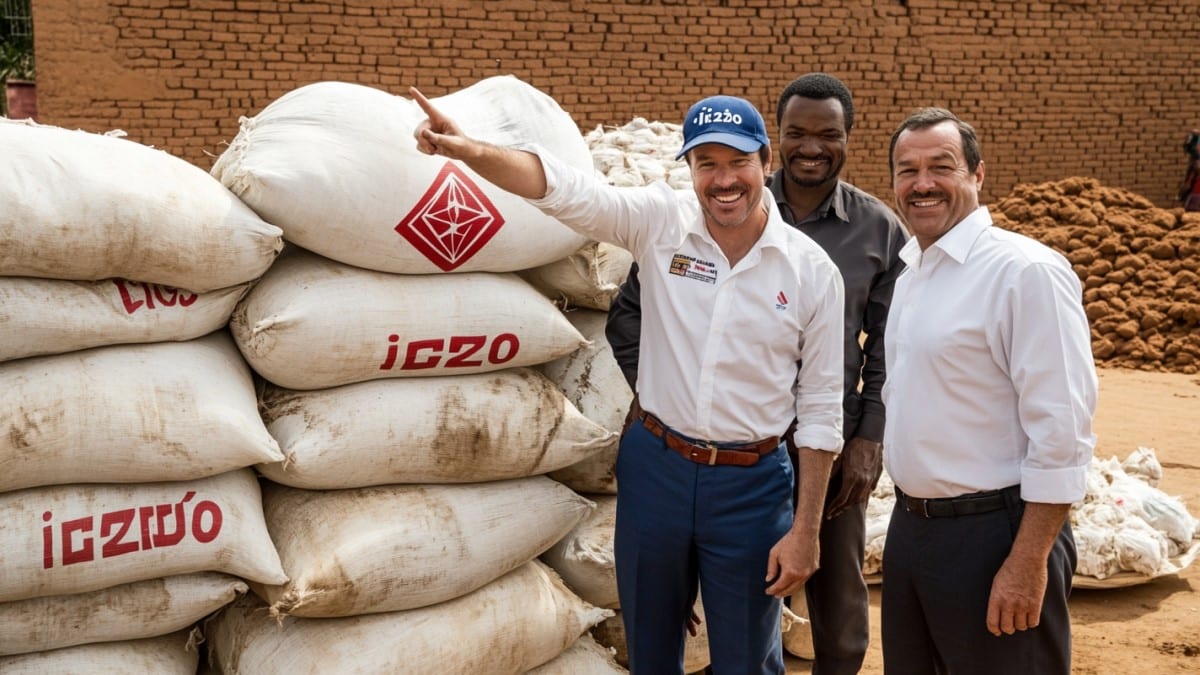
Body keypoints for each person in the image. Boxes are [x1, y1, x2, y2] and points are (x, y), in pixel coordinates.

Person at [411, 88, 845, 674]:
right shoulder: (661, 223)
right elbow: (565, 190)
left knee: (746, 658)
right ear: (688, 168)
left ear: (766, 161)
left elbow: (821, 408)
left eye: (738, 161)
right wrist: (470, 152)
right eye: (706, 163)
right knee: (651, 643)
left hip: (752, 486)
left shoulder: (812, 271)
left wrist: (806, 531)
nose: (723, 181)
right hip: (656, 470)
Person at [606, 72, 908, 675]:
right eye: (797, 132)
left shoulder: (876, 230)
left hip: (828, 444)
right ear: (776, 141)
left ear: (848, 140)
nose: (812, 146)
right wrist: (682, 393)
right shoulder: (721, 200)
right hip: (717, 449)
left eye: (829, 134)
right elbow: (630, 318)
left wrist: (868, 438)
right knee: (712, 610)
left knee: (834, 593)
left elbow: (887, 349)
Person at [880, 107, 1098, 675]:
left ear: (977, 174)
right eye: (907, 170)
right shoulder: (910, 276)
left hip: (995, 537)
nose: (922, 183)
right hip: (912, 532)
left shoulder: (1025, 273)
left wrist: (1028, 561)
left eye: (940, 166)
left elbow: (1063, 433)